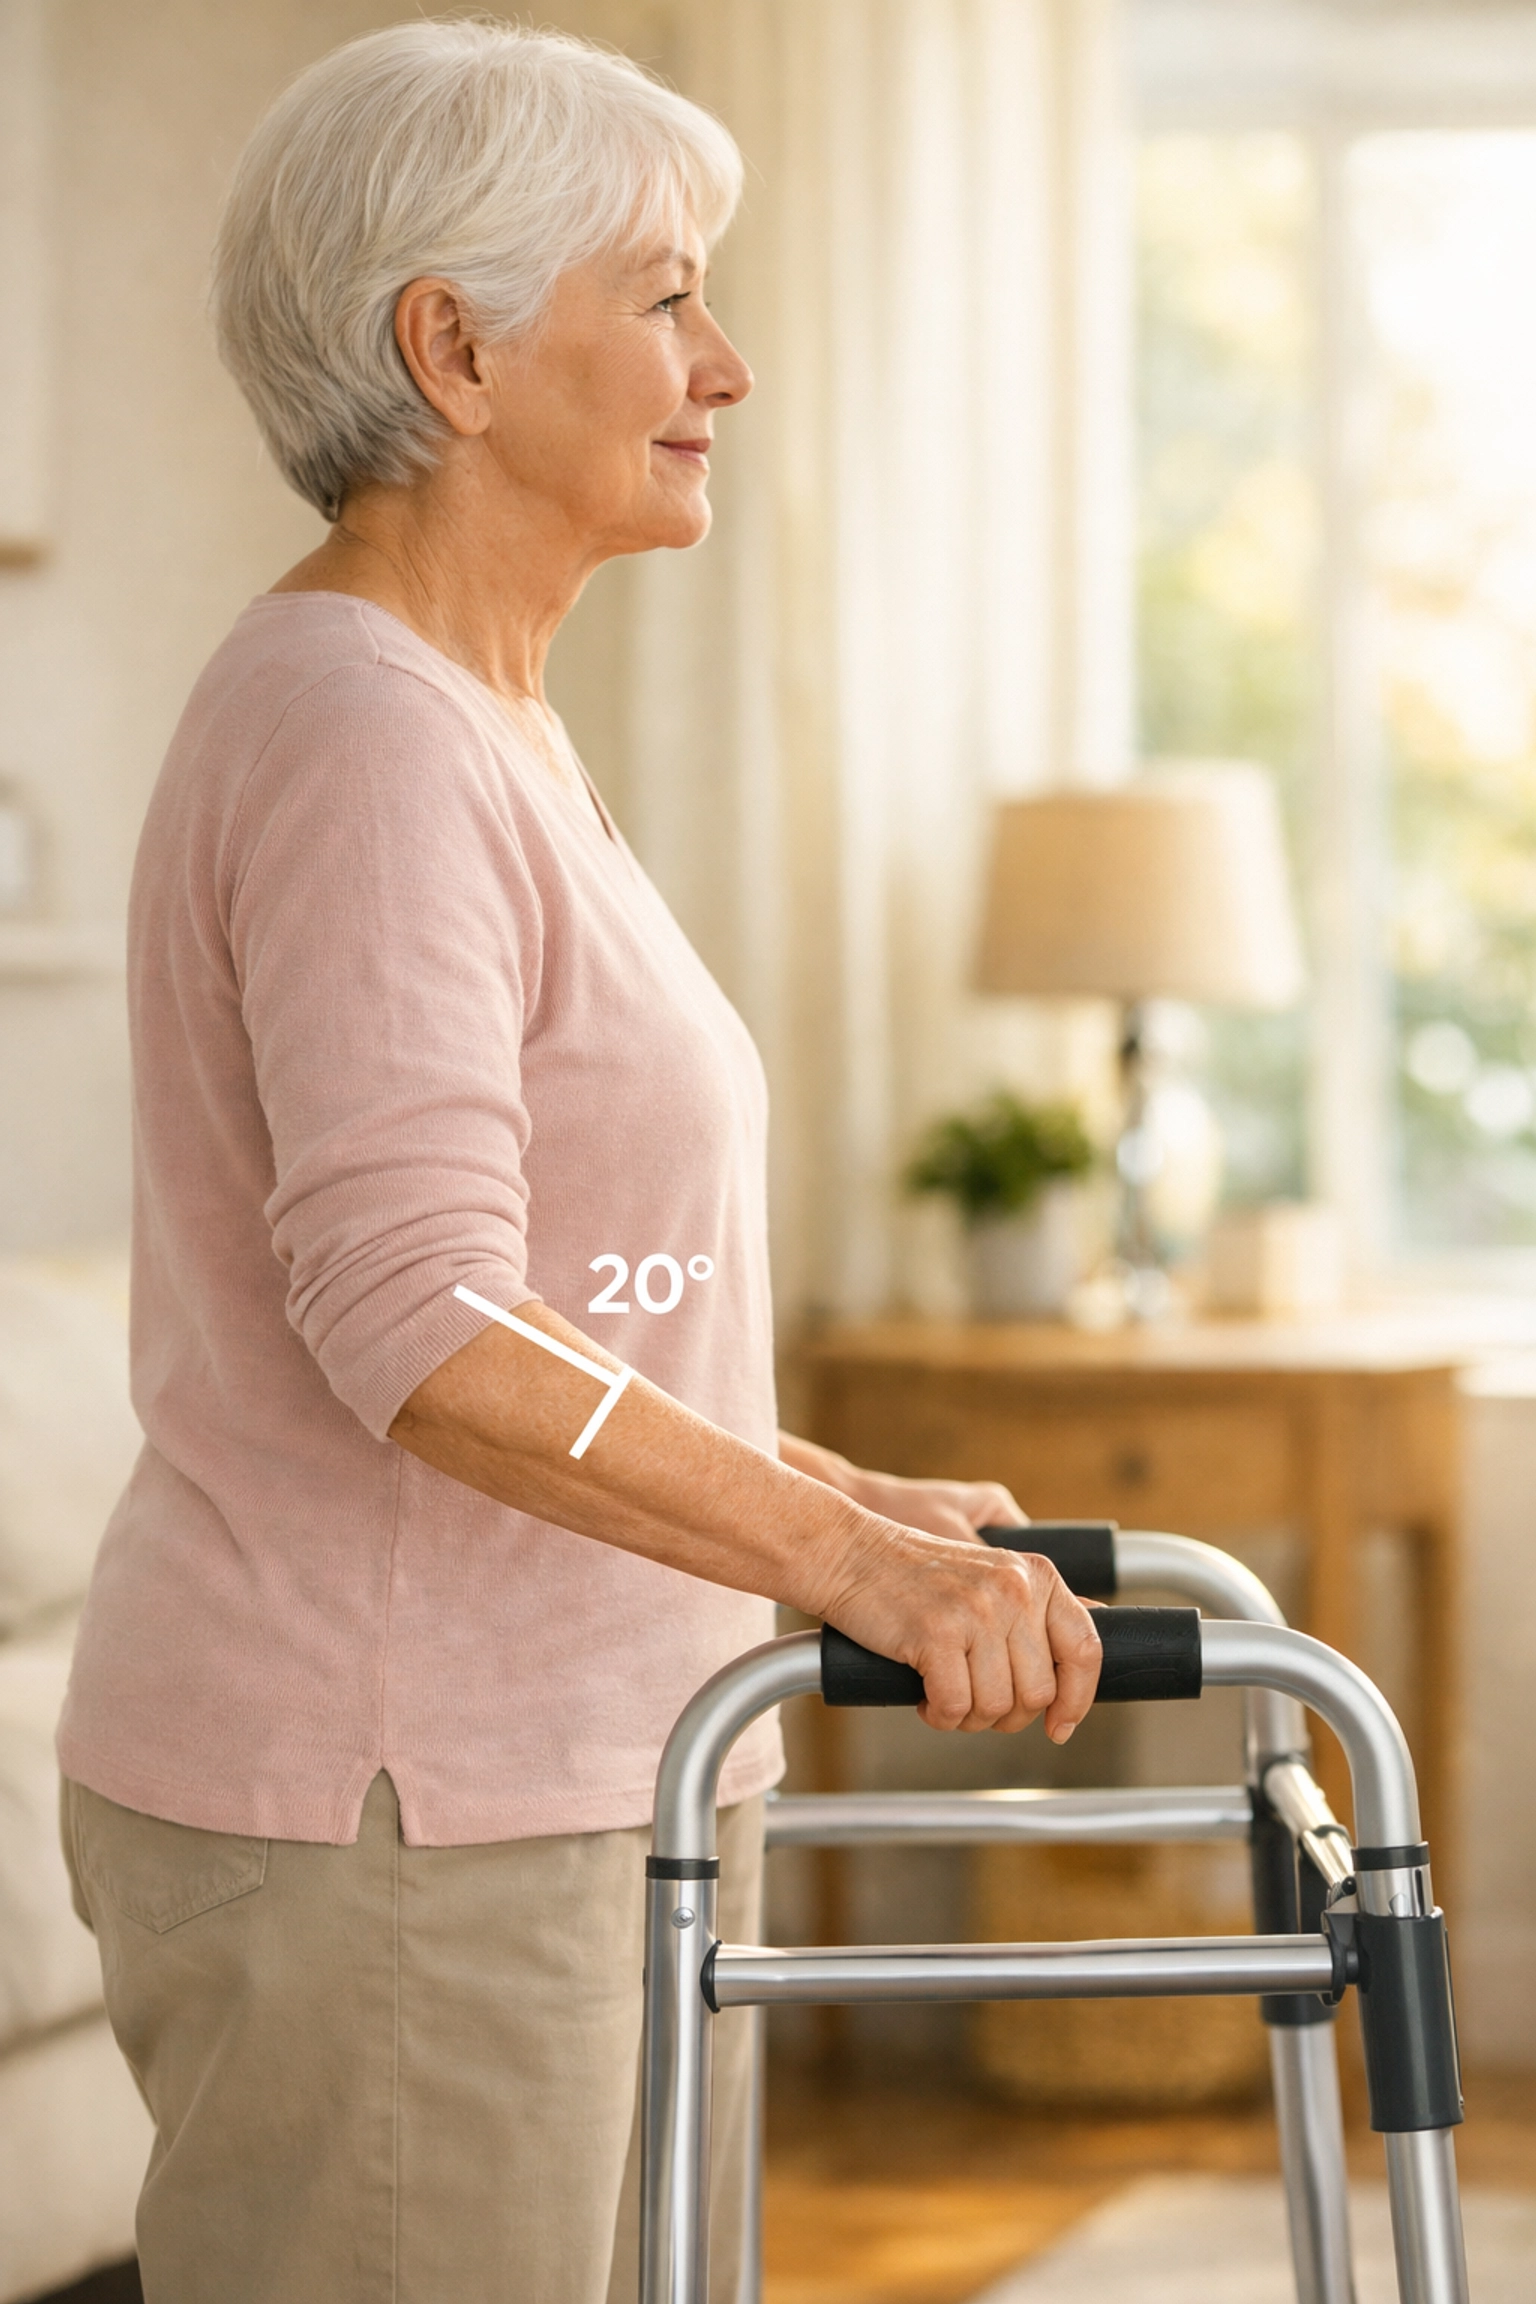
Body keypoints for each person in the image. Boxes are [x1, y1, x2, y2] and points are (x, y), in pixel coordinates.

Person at [56, 21, 1102, 2304]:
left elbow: (560, 1293)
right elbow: (420, 1326)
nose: (723, 360)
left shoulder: (477, 716)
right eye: (664, 294)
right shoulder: (363, 730)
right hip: (400, 1814)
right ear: (452, 349)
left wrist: (847, 1491)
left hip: (544, 1787)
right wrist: (841, 1555)